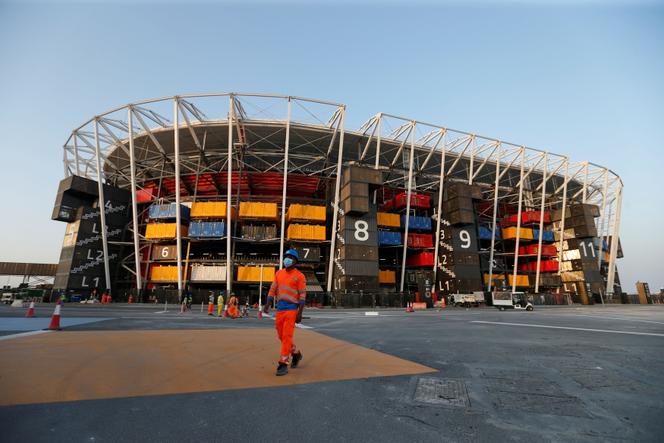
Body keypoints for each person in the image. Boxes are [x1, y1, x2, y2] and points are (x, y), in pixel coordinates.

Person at [263, 249, 305, 376]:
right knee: (281, 335)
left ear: (295, 261)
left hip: (292, 309)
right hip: (280, 309)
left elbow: (302, 296)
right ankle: (296, 354)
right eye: (286, 256)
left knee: (287, 336)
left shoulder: (300, 276)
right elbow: (273, 289)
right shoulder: (279, 274)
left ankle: (283, 363)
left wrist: (300, 313)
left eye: (291, 257)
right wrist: (268, 303)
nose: (287, 259)